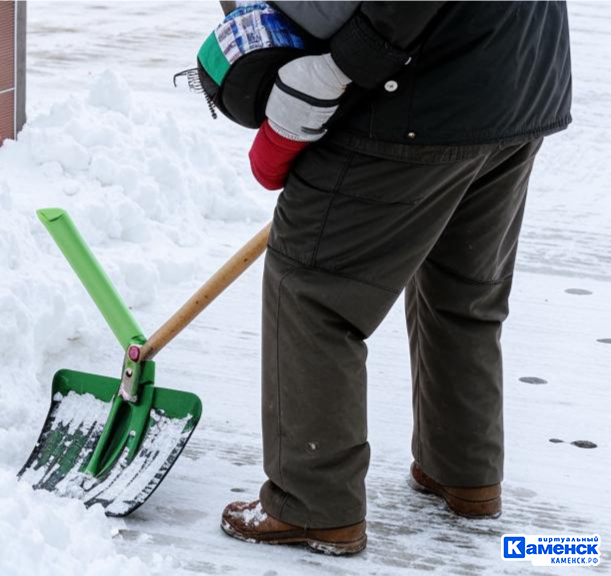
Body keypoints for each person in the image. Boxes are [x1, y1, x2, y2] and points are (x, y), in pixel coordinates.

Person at [220, 1, 572, 555]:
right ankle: (462, 472)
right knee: (462, 291)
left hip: (419, 93)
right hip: (517, 76)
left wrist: (335, 70)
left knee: (311, 289)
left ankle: (314, 505)